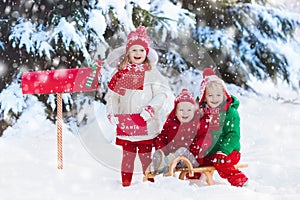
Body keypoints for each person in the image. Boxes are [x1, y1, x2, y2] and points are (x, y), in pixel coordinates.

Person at [105, 26, 174, 187]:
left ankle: (149, 184)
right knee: (127, 157)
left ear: (146, 53)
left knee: (146, 157)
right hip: (126, 123)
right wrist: (112, 114)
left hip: (146, 124)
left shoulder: (151, 73)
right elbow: (113, 97)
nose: (138, 53)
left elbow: (161, 94)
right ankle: (125, 185)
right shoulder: (121, 75)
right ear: (128, 53)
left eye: (141, 50)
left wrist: (149, 110)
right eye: (134, 49)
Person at [194, 68, 248, 187]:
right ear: (204, 97)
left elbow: (233, 135)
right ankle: (194, 183)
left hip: (229, 152)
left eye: (218, 95)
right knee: (195, 161)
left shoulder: (230, 113)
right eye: (210, 95)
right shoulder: (201, 112)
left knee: (220, 162)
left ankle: (240, 181)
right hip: (209, 153)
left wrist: (223, 151)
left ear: (224, 94)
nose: (215, 99)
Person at [150, 88, 212, 175]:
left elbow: (205, 138)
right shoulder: (171, 123)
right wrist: (162, 149)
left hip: (192, 159)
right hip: (175, 159)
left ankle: (164, 164)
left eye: (189, 110)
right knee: (160, 153)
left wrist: (195, 149)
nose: (185, 113)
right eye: (181, 110)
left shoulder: (198, 124)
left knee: (182, 150)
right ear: (175, 111)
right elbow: (162, 137)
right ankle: (157, 166)